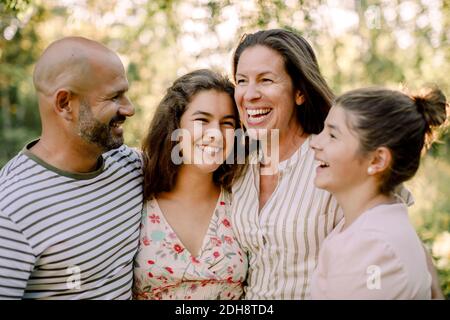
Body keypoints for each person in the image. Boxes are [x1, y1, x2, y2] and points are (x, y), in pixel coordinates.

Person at [230, 28, 441, 300]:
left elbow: (397, 236)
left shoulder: (334, 164)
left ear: (300, 92)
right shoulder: (238, 166)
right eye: (241, 81)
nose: (250, 94)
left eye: (266, 80)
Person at [0, 37, 142, 299]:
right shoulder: (11, 208)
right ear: (65, 104)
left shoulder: (132, 167)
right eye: (114, 96)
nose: (129, 108)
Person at [310, 87, 448, 299]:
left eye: (332, 135)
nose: (315, 143)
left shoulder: (372, 248)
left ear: (377, 160)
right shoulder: (369, 230)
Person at [133, 69, 248, 300]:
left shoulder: (242, 198)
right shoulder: (136, 195)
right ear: (174, 126)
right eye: (202, 120)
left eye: (227, 123)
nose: (216, 133)